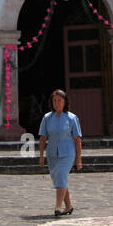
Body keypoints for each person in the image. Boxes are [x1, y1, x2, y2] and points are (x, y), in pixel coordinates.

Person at [38, 89, 83, 217]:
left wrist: (79, 159)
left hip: (68, 153)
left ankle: (58, 206)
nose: (57, 103)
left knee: (62, 175)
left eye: (59, 100)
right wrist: (41, 156)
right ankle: (68, 206)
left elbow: (77, 139)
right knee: (59, 179)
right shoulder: (47, 118)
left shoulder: (72, 118)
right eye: (55, 100)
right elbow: (42, 138)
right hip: (52, 154)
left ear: (65, 102)